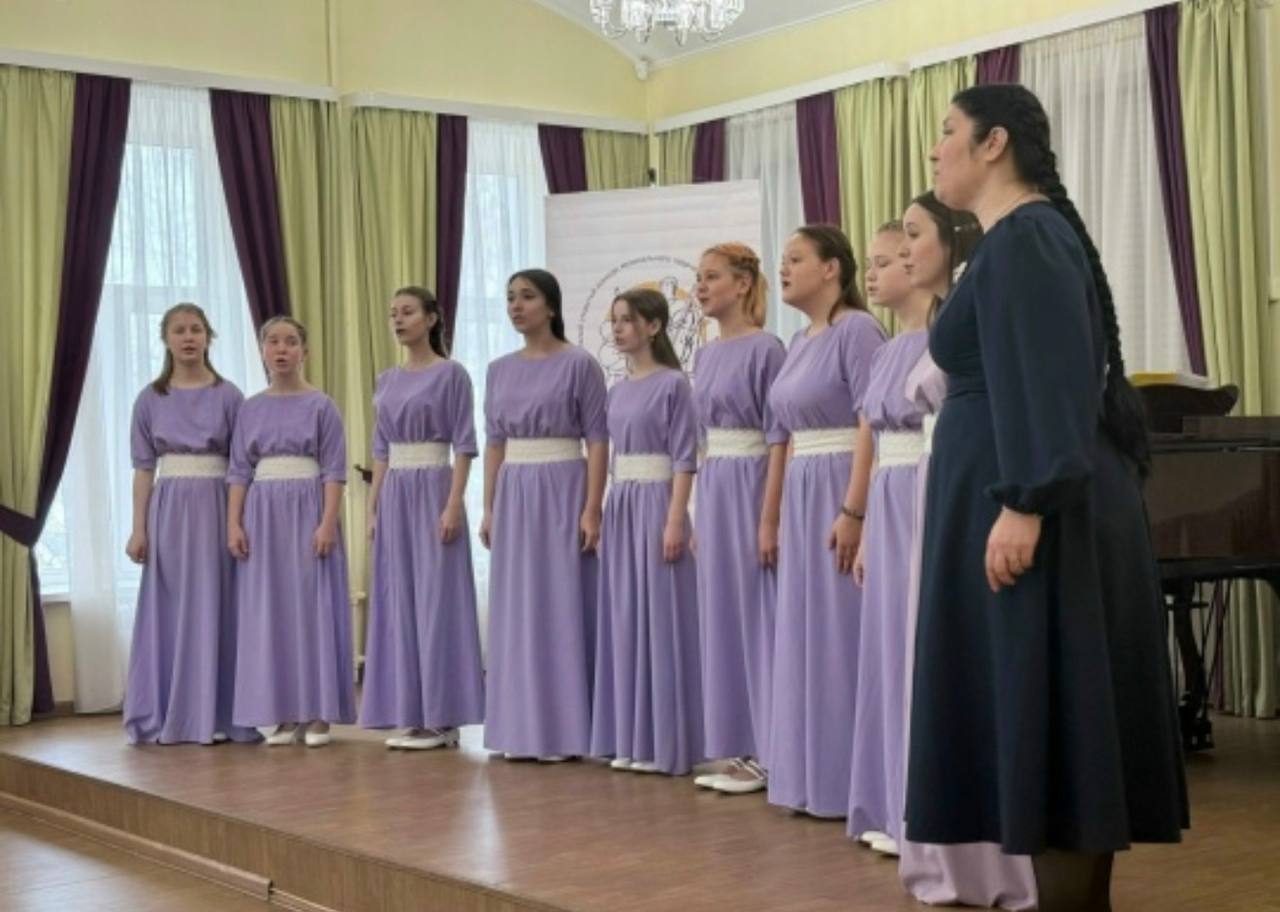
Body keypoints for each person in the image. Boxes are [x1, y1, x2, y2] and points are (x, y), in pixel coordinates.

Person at [907, 84, 1187, 911]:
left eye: (947, 132)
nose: (936, 149)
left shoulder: (1026, 239)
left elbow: (1054, 380)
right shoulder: (1016, 240)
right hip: (1025, 499)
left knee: (1057, 733)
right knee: (1046, 728)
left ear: (993, 143)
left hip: (1039, 512)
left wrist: (1025, 504)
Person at [894, 193, 1036, 909]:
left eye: (914, 234)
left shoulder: (983, 303)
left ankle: (1004, 858)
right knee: (941, 653)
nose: (903, 249)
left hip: (978, 482)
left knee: (978, 651)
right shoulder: (942, 317)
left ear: (954, 240)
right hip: (939, 484)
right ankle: (948, 851)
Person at [766, 225, 885, 818]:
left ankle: (851, 782)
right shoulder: (797, 339)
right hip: (803, 488)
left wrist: (854, 509)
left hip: (840, 482)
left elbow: (871, 420)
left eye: (795, 259)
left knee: (841, 634)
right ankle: (812, 776)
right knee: (807, 633)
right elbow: (786, 433)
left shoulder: (857, 330)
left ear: (832, 268)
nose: (783, 269)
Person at [481, 269, 608, 762]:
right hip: (515, 492)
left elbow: (597, 440)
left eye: (527, 297)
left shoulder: (580, 364)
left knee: (559, 602)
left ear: (550, 306)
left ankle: (563, 729)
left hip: (562, 487)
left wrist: (592, 508)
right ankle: (521, 727)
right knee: (518, 607)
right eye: (510, 297)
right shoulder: (498, 369)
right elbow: (495, 443)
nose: (516, 305)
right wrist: (489, 506)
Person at [122, 303, 258, 746]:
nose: (188, 337)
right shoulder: (149, 398)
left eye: (196, 329)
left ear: (208, 337)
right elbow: (143, 469)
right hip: (169, 511)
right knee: (171, 607)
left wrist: (237, 521)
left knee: (219, 604)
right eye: (179, 330)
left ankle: (219, 713)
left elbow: (242, 467)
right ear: (165, 339)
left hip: (218, 506)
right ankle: (171, 712)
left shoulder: (230, 396)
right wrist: (138, 528)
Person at [845, 219, 936, 853]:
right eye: (871, 263)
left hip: (924, 488)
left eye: (885, 262)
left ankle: (923, 811)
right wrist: (865, 525)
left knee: (917, 645)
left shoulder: (943, 339)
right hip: (887, 494)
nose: (872, 275)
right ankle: (891, 800)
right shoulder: (884, 352)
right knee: (887, 651)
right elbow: (874, 442)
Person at [360, 287, 484, 750]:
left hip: (434, 487)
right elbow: (380, 449)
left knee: (438, 600)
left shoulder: (452, 374)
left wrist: (453, 504)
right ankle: (411, 712)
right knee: (399, 601)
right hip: (395, 493)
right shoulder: (386, 380)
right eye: (393, 313)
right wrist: (373, 508)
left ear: (431, 318)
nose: (398, 320)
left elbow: (465, 445)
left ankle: (442, 717)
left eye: (408, 312)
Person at [590, 288, 703, 776]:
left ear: (653, 327)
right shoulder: (616, 391)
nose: (617, 329)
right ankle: (631, 737)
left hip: (658, 502)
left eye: (627, 320)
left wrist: (675, 519)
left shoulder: (674, 385)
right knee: (625, 615)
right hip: (623, 504)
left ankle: (666, 742)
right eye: (614, 321)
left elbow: (684, 457)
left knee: (661, 616)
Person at [228, 316, 355, 747]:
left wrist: (328, 522)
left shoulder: (322, 406)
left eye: (290, 342)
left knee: (312, 609)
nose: (281, 349)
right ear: (263, 350)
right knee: (272, 612)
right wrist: (233, 523)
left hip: (309, 510)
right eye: (273, 342)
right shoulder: (250, 408)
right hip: (262, 517)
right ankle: (282, 712)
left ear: (305, 351)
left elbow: (335, 470)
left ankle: (318, 713)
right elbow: (238, 471)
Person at [689, 243, 787, 794]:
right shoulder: (705, 356)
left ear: (743, 284)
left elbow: (778, 437)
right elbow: (703, 440)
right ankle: (739, 745)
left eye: (712, 277)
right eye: (699, 278)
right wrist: (698, 513)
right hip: (717, 485)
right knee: (722, 612)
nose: (701, 287)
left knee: (757, 612)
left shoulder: (767, 349)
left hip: (752, 481)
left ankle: (771, 749)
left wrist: (769, 518)